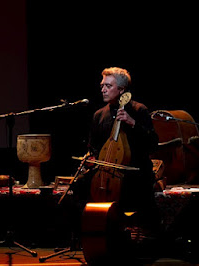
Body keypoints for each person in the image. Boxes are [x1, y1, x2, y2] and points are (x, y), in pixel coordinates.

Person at [64, 67, 159, 236]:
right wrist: (91, 158)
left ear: (122, 90)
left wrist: (132, 123)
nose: (103, 89)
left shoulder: (139, 110)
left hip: (134, 171)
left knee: (132, 187)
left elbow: (152, 143)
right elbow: (93, 147)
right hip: (105, 169)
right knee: (79, 186)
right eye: (102, 86)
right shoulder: (99, 115)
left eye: (108, 86)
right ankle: (90, 234)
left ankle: (134, 234)